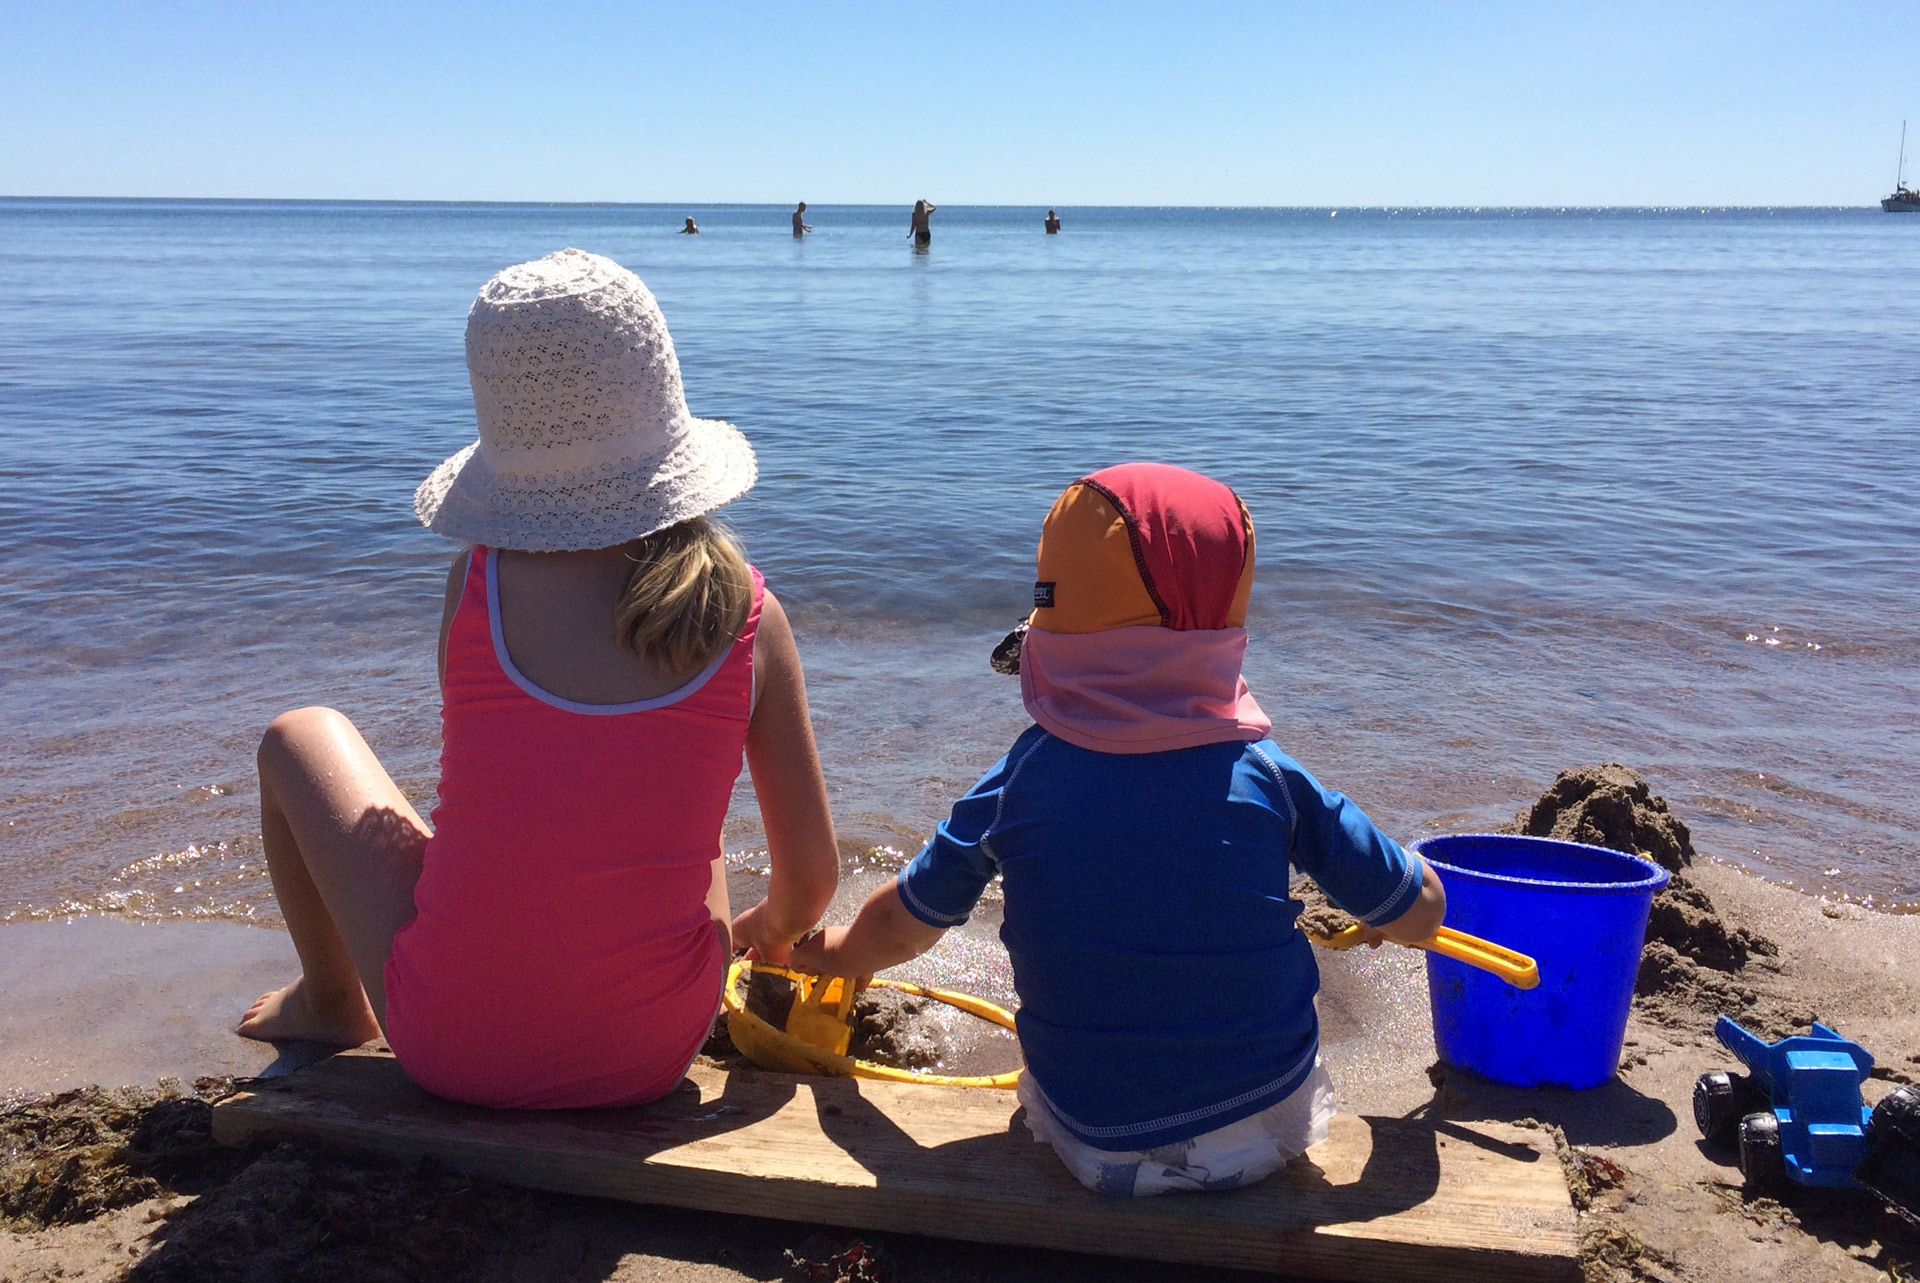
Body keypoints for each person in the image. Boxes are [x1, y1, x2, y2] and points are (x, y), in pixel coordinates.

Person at [237, 248, 839, 1110]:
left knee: (297, 734)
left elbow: (516, 781)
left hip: (447, 1042)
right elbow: (811, 877)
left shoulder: (478, 586)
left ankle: (333, 1002)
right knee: (677, 832)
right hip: (651, 1051)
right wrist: (765, 932)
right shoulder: (749, 613)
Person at [793, 462, 1444, 1196]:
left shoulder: (1018, 779)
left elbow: (906, 928)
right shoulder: (1268, 774)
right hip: (1264, 1124)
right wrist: (1402, 911)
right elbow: (1419, 908)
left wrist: (833, 955)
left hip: (1088, 1140)